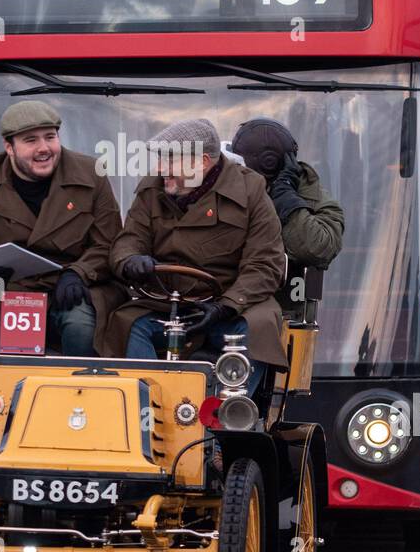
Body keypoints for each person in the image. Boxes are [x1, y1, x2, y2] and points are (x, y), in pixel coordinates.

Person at [106, 118, 287, 394]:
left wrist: (225, 306)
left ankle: (228, 416)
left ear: (202, 162)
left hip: (228, 304)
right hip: (165, 303)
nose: (160, 169)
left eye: (170, 160)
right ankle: (145, 406)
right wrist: (131, 260)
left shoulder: (251, 191)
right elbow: (129, 239)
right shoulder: (151, 189)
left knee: (259, 327)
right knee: (127, 324)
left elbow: (265, 264)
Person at [0, 101, 122, 356]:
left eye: (50, 137)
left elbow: (111, 245)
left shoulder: (91, 175)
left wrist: (79, 273)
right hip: (6, 293)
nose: (44, 148)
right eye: (31, 140)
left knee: (81, 328)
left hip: (72, 290)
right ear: (9, 147)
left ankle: (79, 393)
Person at [230, 119, 344, 279]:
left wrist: (286, 200)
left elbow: (316, 250)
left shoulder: (315, 200)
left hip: (287, 302)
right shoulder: (225, 193)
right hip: (230, 300)